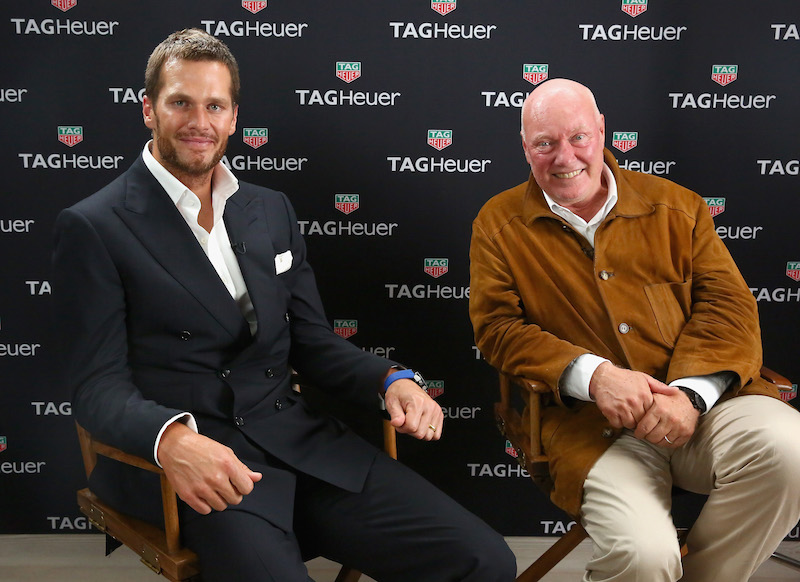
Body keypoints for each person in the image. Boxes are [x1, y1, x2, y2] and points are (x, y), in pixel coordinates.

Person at [52, 28, 516, 582]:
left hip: (299, 441)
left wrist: (391, 379)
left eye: (214, 105)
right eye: (181, 102)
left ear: (233, 118)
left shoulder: (269, 210)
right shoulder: (95, 225)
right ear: (148, 109)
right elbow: (96, 387)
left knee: (485, 562)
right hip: (199, 470)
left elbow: (313, 342)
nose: (199, 121)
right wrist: (172, 440)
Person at [469, 78, 800, 582]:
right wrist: (596, 376)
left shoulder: (679, 204)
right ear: (524, 147)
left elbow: (728, 308)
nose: (565, 157)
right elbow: (497, 329)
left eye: (579, 137)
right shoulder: (497, 222)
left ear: (603, 131)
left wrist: (689, 396)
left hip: (703, 412)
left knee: (791, 450)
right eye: (545, 143)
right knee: (644, 558)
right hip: (588, 428)